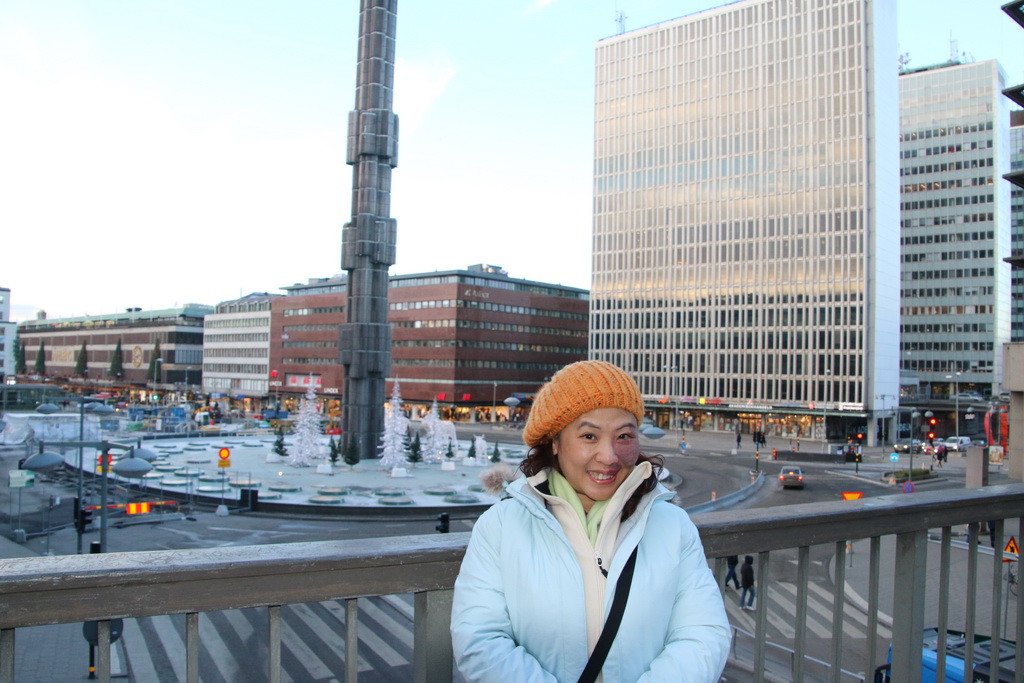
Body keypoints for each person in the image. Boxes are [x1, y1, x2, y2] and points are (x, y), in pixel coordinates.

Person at [451, 360, 730, 682]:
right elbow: (480, 640)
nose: (609, 456)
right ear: (555, 442)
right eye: (589, 435)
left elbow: (703, 633)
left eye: (623, 435)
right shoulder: (501, 526)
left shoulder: (672, 525)